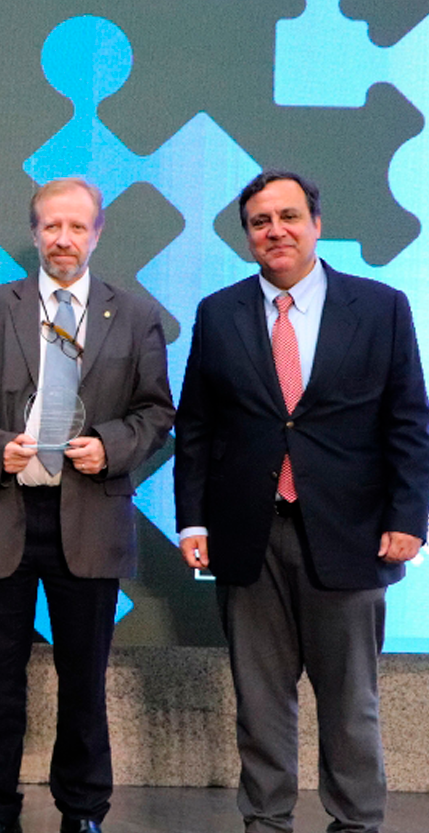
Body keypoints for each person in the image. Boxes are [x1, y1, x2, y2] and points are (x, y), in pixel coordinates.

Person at [174, 170, 429, 833]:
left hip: (353, 534)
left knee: (351, 702)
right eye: (260, 222)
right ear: (247, 237)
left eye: (289, 216)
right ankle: (266, 820)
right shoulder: (218, 313)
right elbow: (197, 426)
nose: (276, 231)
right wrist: (192, 519)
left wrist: (409, 517)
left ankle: (356, 821)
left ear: (316, 224)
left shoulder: (381, 307)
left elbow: (408, 422)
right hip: (247, 535)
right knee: (260, 701)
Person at [0, 178, 174, 833]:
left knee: (84, 680)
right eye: (51, 226)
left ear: (97, 233)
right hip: (1, 512)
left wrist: (110, 446)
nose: (63, 239)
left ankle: (83, 810)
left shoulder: (136, 314)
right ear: (34, 232)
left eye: (76, 227)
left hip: (91, 516)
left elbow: (157, 412)